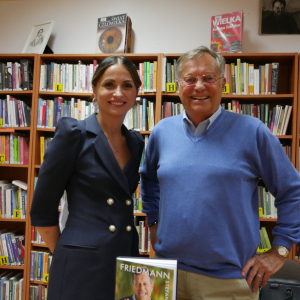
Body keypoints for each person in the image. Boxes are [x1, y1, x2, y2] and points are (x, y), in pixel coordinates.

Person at [140, 46, 300, 300]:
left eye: (208, 78)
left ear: (223, 83)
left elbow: (293, 190)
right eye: (190, 79)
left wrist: (280, 250)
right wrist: (153, 222)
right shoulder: (161, 132)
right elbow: (149, 180)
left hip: (229, 282)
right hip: (167, 275)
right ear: (179, 85)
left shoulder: (253, 132)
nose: (199, 86)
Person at [30, 55, 144, 300]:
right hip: (80, 267)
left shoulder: (135, 142)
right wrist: (68, 253)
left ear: (136, 94)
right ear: (94, 90)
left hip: (124, 261)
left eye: (127, 85)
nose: (118, 93)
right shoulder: (74, 134)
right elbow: (41, 210)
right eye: (109, 84)